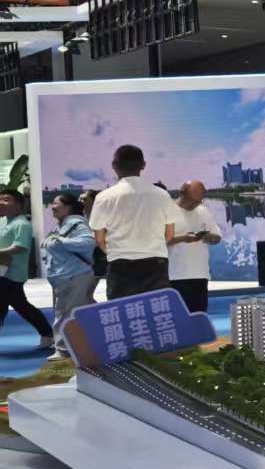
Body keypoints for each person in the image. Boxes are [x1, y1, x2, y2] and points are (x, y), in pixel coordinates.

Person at [90, 144, 174, 299]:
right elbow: (169, 235)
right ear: (143, 165)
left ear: (114, 166)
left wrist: (117, 252)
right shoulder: (162, 195)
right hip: (156, 264)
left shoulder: (104, 197)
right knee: (155, 310)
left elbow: (100, 239)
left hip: (120, 265)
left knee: (123, 311)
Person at [40, 191, 99, 355]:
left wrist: (61, 241)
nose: (52, 207)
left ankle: (63, 349)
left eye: (56, 203)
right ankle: (95, 342)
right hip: (66, 277)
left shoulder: (76, 224)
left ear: (68, 207)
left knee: (64, 313)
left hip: (74, 275)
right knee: (80, 311)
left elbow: (88, 242)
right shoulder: (61, 226)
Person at [0, 189, 54, 348]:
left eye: (6, 199)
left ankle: (47, 334)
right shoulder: (4, 221)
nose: (1, 202)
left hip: (12, 274)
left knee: (18, 306)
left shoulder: (22, 224)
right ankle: (47, 334)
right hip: (2, 272)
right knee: (20, 305)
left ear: (19, 205)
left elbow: (20, 247)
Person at [166, 180, 222, 314]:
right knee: (177, 317)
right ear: (182, 194)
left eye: (199, 201)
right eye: (193, 201)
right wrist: (183, 238)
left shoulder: (203, 211)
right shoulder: (168, 211)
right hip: (175, 276)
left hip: (200, 274)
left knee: (199, 316)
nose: (195, 205)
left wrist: (207, 237)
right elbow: (159, 242)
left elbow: (217, 238)